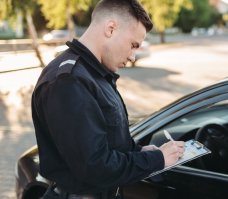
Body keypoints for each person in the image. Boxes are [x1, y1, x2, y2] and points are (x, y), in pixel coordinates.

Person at [31, 0, 185, 198]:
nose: (133, 57)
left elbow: (106, 141)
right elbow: (95, 168)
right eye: (133, 45)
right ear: (111, 29)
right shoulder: (69, 82)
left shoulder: (94, 74)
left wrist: (139, 151)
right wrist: (157, 159)